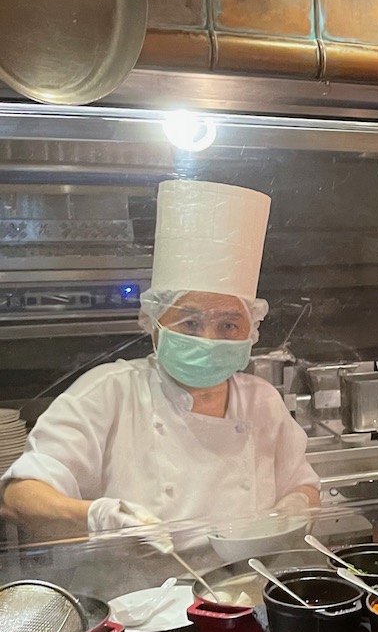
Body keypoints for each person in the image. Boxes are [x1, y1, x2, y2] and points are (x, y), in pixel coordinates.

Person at [1, 179, 319, 541]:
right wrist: (96, 516)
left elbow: (303, 486)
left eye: (229, 324)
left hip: (244, 587)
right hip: (131, 593)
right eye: (190, 322)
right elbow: (19, 497)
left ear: (252, 331)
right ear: (154, 325)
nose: (208, 339)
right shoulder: (108, 393)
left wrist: (294, 509)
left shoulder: (263, 402)